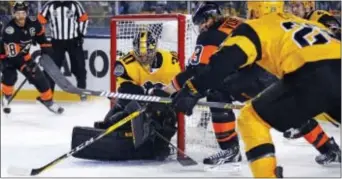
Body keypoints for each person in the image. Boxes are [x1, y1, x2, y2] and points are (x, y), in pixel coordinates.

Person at [171, 1, 340, 177]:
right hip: (325, 68)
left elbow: (215, 65)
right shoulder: (307, 23)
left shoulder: (250, 27)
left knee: (243, 111)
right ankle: (327, 147)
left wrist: (191, 89)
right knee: (290, 105)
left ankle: (232, 150)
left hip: (290, 73)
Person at [72, 30, 181, 161]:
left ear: (155, 49)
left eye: (148, 54)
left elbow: (182, 85)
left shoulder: (173, 60)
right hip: (138, 103)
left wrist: (165, 92)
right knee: (120, 109)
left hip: (163, 106)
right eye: (139, 54)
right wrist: (147, 93)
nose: (144, 58)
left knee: (167, 117)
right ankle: (110, 130)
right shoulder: (125, 63)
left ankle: (160, 144)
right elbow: (126, 89)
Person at [0, 1, 64, 114]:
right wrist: (26, 67)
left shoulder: (34, 23)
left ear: (27, 13)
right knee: (10, 76)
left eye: (23, 13)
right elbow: (14, 57)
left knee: (39, 77)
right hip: (7, 57)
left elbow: (40, 35)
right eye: (18, 13)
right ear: (13, 14)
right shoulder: (9, 30)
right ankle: (6, 95)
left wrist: (45, 46)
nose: (21, 16)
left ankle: (48, 101)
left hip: (24, 55)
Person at [38, 0, 89, 101]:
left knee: (80, 67)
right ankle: (49, 95)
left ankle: (82, 91)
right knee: (51, 69)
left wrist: (81, 35)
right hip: (56, 42)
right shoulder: (50, 4)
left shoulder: (75, 3)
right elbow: (40, 20)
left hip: (73, 41)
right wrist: (43, 38)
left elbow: (84, 19)